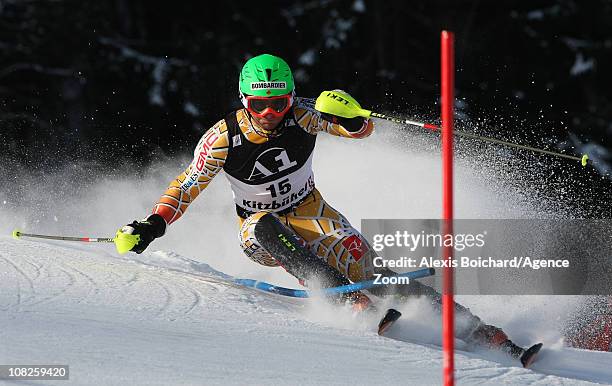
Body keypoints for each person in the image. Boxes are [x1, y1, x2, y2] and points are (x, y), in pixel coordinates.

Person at [118, 53, 529, 359]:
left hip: (313, 212)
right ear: (243, 101)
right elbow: (186, 186)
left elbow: (359, 130)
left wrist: (351, 119)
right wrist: (153, 224)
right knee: (265, 225)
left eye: (277, 103)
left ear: (291, 97)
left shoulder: (304, 113)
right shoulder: (222, 139)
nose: (268, 114)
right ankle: (342, 298)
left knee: (377, 274)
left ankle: (480, 332)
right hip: (258, 227)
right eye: (257, 105)